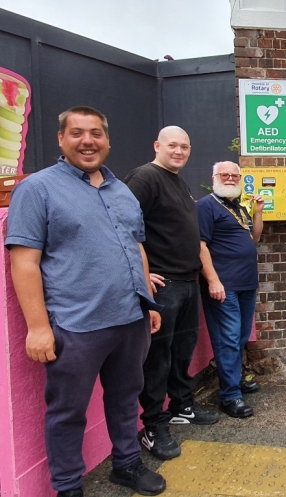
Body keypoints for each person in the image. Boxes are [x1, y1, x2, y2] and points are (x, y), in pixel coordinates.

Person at [6, 106, 166, 497]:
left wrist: (147, 300)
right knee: (68, 412)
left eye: (95, 133)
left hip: (130, 319)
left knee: (126, 399)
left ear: (107, 141)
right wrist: (39, 327)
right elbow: (24, 262)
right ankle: (67, 487)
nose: (88, 141)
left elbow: (136, 245)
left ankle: (126, 464)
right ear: (61, 139)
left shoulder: (121, 190)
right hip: (76, 327)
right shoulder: (38, 189)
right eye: (77, 133)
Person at [123, 126, 220, 461]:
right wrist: (142, 272)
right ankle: (152, 426)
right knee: (158, 358)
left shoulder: (177, 180)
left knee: (182, 351)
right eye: (172, 146)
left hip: (187, 281)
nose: (179, 151)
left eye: (184, 147)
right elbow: (123, 226)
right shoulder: (145, 177)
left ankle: (182, 406)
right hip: (163, 286)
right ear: (157, 146)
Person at [197, 161, 264, 418]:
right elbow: (200, 246)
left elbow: (254, 239)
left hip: (246, 283)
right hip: (224, 285)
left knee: (239, 336)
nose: (230, 178)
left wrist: (258, 212)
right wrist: (213, 281)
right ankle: (229, 396)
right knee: (227, 338)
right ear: (214, 177)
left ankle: (234, 380)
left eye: (235, 175)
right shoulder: (206, 206)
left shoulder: (237, 206)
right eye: (224, 174)